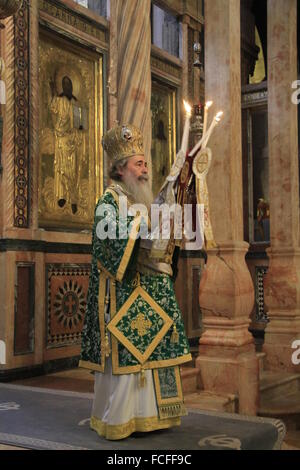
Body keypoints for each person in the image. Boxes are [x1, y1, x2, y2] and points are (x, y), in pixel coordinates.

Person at [80, 124, 192, 440]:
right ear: (120, 169)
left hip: (149, 291)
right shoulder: (109, 201)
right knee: (126, 351)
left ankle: (153, 416)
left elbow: (157, 241)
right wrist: (143, 226)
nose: (144, 170)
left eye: (144, 164)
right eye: (138, 164)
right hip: (120, 295)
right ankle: (119, 419)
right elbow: (108, 244)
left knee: (155, 348)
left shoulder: (143, 201)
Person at [49, 76, 85, 215]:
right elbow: (52, 110)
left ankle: (73, 199)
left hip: (73, 141)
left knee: (73, 171)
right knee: (61, 168)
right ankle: (61, 196)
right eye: (65, 85)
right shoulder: (58, 100)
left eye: (69, 84)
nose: (67, 87)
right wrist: (52, 93)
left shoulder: (77, 103)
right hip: (62, 139)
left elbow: (81, 125)